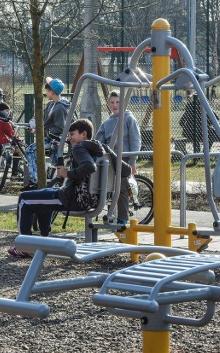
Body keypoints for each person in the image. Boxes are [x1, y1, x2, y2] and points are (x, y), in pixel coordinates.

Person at [8, 119, 103, 257]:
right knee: (42, 194)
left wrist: (68, 173)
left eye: (72, 134)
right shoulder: (100, 148)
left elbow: (89, 167)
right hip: (88, 198)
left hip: (73, 199)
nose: (70, 138)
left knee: (24, 199)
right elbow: (124, 170)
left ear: (84, 134)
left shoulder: (79, 147)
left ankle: (25, 247)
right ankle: (44, 240)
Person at [95, 90, 141, 224]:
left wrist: (132, 162)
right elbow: (99, 139)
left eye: (118, 102)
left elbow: (135, 140)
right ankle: (111, 214)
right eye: (112, 102)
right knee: (109, 186)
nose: (115, 105)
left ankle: (123, 218)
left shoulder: (129, 118)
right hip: (110, 158)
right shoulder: (108, 121)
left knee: (121, 188)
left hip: (124, 157)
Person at [22, 77, 69, 191]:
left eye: (47, 91)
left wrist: (41, 132)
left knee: (30, 150)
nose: (46, 93)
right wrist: (34, 124)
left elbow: (59, 128)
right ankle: (39, 177)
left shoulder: (60, 108)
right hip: (48, 137)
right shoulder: (51, 105)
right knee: (33, 151)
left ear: (52, 92)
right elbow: (42, 118)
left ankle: (35, 180)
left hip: (54, 139)